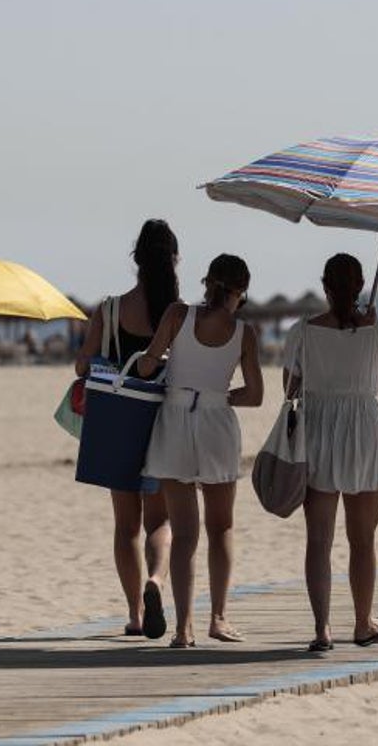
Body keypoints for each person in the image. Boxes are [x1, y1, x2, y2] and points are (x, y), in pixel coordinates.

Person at [140, 254, 263, 648]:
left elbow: (146, 367)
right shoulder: (244, 332)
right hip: (215, 419)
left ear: (207, 282)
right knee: (221, 526)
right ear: (240, 293)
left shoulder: (178, 315)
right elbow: (256, 395)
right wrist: (224, 395)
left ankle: (183, 629)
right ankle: (219, 618)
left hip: (174, 418)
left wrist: (152, 364)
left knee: (184, 530)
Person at [284, 254, 378, 652]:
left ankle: (322, 629)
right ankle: (363, 622)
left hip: (318, 429)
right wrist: (366, 333)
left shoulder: (302, 331)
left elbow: (289, 389)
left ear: (325, 286)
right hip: (364, 428)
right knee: (362, 538)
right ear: (362, 284)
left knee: (318, 540)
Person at [74, 219, 180, 639]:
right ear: (174, 259)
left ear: (135, 259)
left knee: (125, 526)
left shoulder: (110, 309)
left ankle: (136, 614)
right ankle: (156, 580)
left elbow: (83, 364)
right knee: (160, 521)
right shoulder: (178, 311)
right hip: (162, 419)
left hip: (119, 418)